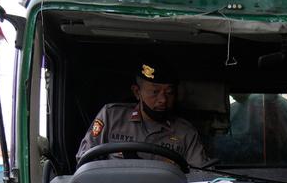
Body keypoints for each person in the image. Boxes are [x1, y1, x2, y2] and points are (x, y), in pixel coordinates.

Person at [76, 61, 211, 168]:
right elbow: (85, 159)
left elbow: (199, 175)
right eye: (154, 92)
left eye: (169, 93)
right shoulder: (111, 116)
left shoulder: (185, 132)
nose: (163, 99)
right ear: (137, 92)